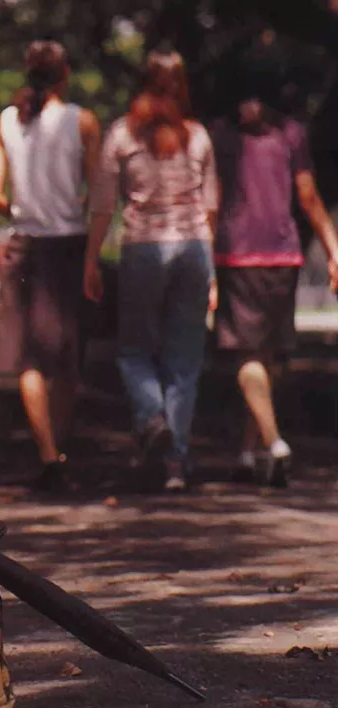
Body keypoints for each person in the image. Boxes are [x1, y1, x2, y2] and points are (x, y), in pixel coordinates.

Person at [84, 50, 219, 491]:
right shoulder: (197, 136)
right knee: (184, 359)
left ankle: (151, 417)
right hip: (193, 248)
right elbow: (210, 207)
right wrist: (212, 271)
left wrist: (91, 260)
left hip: (143, 248)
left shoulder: (122, 135)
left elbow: (103, 204)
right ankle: (175, 464)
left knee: (134, 351)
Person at [210, 56, 338, 486]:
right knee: (268, 357)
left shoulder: (221, 135)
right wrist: (333, 248)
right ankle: (248, 454)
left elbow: (212, 201)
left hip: (236, 257)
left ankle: (273, 441)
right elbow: (309, 197)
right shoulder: (291, 133)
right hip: (283, 257)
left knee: (249, 357)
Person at [0, 40, 102, 491]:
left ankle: (48, 454)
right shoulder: (82, 121)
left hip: (24, 245)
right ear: (65, 74)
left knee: (28, 358)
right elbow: (97, 192)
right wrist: (71, 209)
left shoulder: (6, 121)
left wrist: (22, 209)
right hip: (68, 245)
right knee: (66, 357)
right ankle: (60, 450)